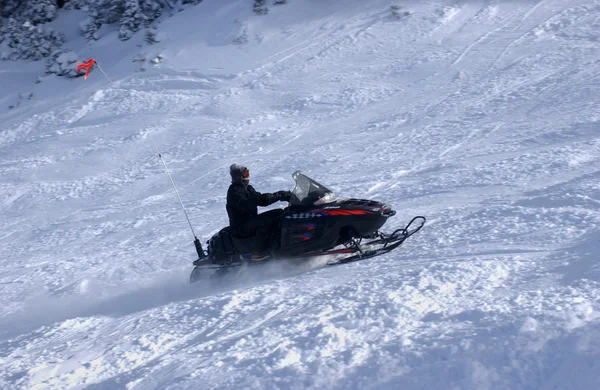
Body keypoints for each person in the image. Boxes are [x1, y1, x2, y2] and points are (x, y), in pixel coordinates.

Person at [226, 164, 292, 260]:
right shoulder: (234, 191)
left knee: (279, 213)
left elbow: (262, 200)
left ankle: (283, 243)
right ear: (238, 177)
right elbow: (246, 203)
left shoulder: (248, 189)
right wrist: (273, 196)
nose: (247, 177)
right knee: (265, 220)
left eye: (248, 173)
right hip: (240, 227)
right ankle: (257, 252)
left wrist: (281, 196)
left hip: (250, 222)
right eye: (245, 174)